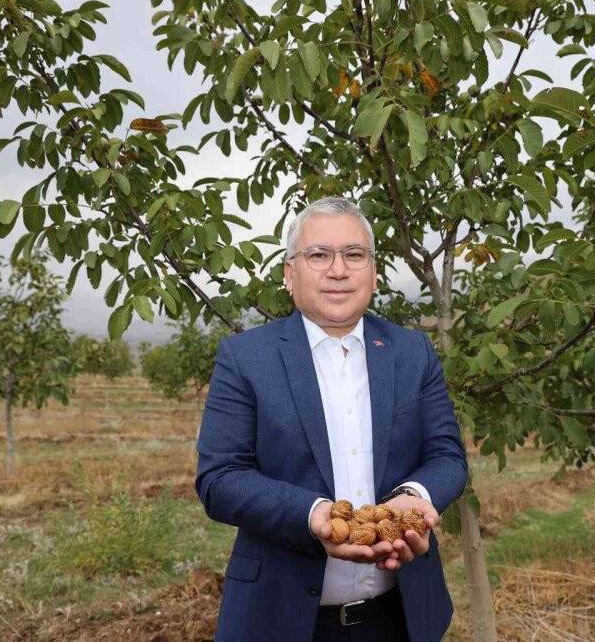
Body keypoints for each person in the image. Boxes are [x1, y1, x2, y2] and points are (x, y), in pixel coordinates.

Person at [196, 196, 468, 641]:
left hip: (398, 619)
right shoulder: (246, 358)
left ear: (375, 272)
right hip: (279, 619)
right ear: (289, 273)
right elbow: (219, 479)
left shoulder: (411, 352)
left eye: (354, 255)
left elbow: (447, 456)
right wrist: (313, 514)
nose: (338, 270)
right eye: (319, 255)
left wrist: (413, 498)